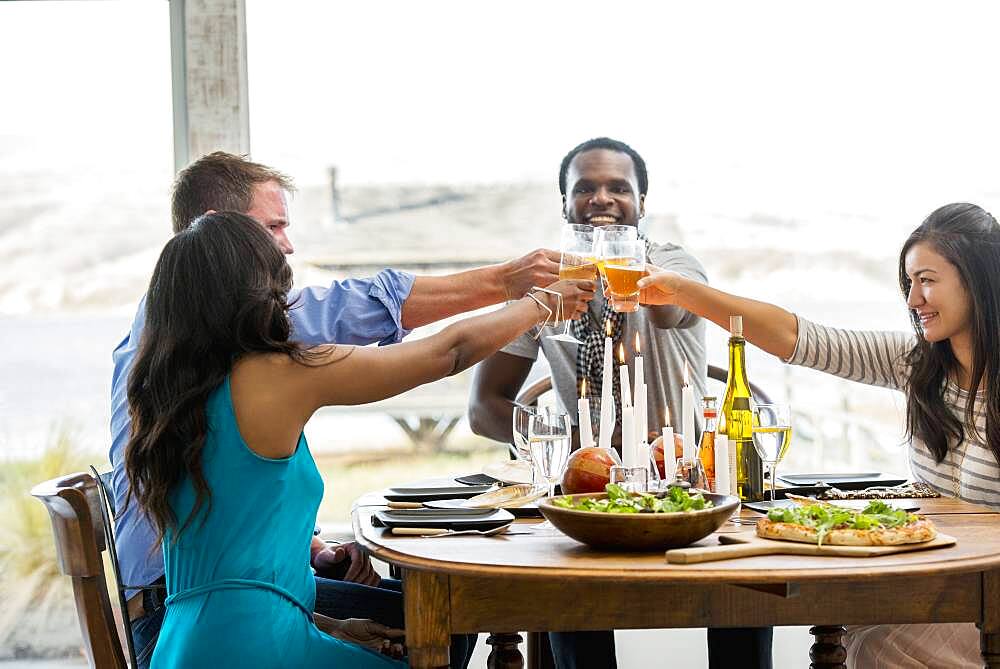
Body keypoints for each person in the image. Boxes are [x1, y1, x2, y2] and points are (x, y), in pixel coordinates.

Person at [110, 151, 587, 667]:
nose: (284, 273)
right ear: (246, 285)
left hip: (184, 645)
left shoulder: (161, 386)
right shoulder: (280, 375)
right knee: (438, 633)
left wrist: (331, 624)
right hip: (260, 647)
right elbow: (445, 352)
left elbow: (226, 553)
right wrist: (541, 303)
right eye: (273, 253)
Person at [637, 202, 1000, 668]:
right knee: (850, 628)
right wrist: (684, 292)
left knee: (872, 646)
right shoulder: (919, 365)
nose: (913, 300)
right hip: (937, 588)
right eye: (909, 283)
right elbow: (797, 337)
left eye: (927, 280)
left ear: (979, 280)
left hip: (985, 602)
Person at [468, 137, 773, 669]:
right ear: (564, 205)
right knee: (565, 589)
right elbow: (484, 407)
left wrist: (628, 271)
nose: (601, 198)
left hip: (684, 485)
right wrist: (557, 452)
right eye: (584, 188)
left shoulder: (672, 265)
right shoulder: (545, 286)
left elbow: (671, 313)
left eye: (618, 188)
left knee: (743, 589)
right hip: (584, 497)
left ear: (642, 203)